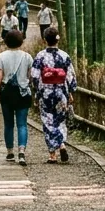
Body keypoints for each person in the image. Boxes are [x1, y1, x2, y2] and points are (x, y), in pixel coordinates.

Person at [31, 26, 77, 163]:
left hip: (46, 92)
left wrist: (37, 91)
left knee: (47, 122)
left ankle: (53, 154)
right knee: (60, 120)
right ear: (58, 39)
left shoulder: (40, 56)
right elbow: (70, 76)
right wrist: (70, 92)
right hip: (61, 92)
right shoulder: (64, 56)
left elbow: (34, 76)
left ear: (45, 40)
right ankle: (61, 143)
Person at [0, 29, 34, 166]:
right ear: (21, 41)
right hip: (23, 93)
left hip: (7, 93)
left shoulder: (2, 56)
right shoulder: (27, 57)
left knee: (8, 124)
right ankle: (21, 151)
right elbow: (30, 76)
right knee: (22, 124)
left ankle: (10, 152)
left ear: (6, 41)